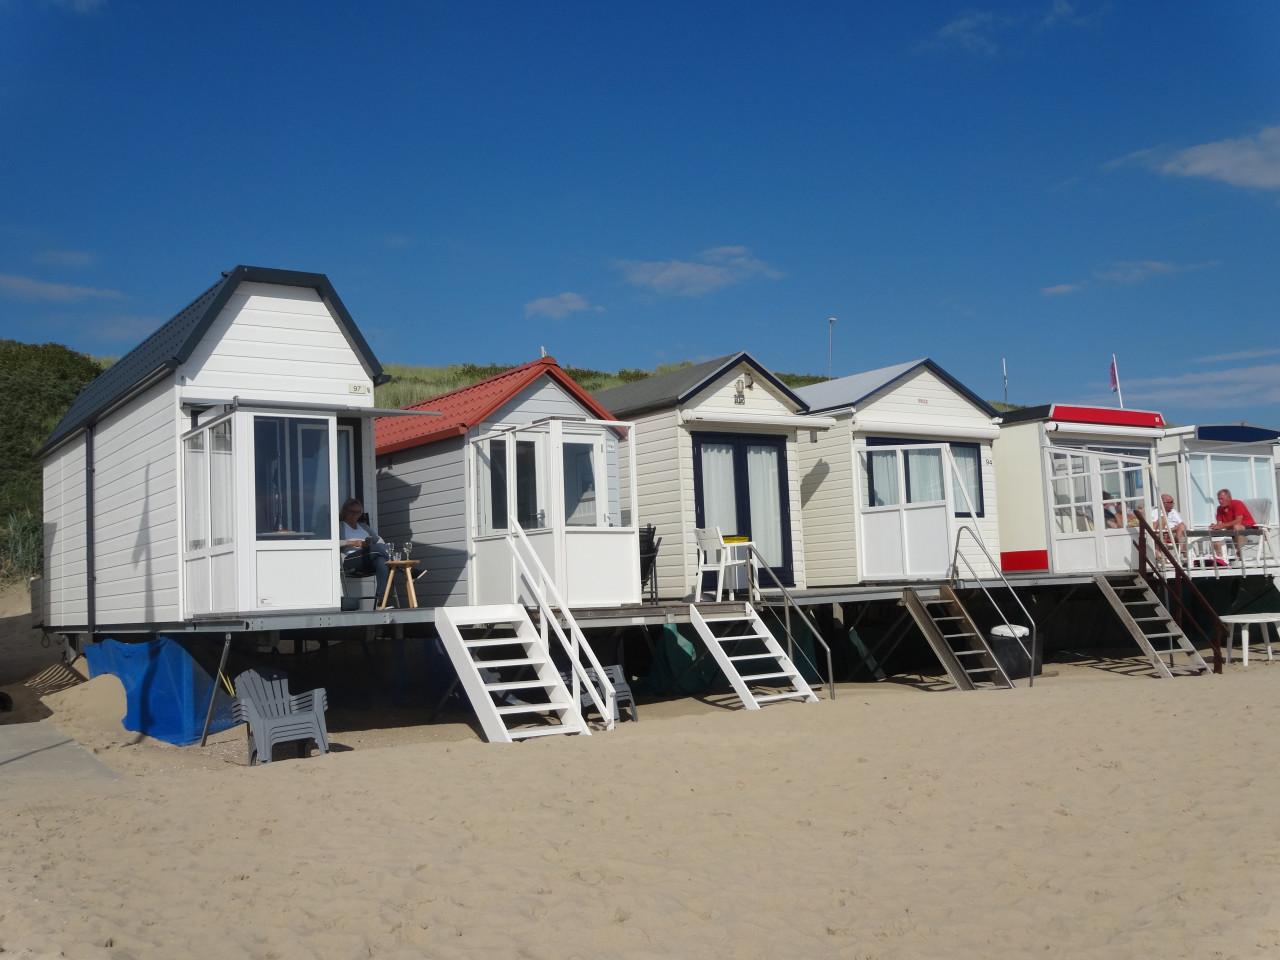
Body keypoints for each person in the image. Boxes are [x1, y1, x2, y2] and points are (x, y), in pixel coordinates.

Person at [340, 498, 390, 601]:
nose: (355, 515)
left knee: (382, 562)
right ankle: (405, 569)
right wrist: (352, 543)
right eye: (352, 512)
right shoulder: (340, 526)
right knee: (379, 549)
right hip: (349, 560)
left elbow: (380, 541)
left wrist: (370, 545)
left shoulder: (363, 526)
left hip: (367, 557)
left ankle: (381, 600)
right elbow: (333, 542)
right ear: (345, 511)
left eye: (358, 512)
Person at [1209, 488, 1257, 565]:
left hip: (1248, 528)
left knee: (1236, 527)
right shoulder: (1219, 509)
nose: (1220, 501)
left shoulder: (1237, 503)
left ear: (1229, 498)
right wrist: (1215, 526)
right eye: (1218, 499)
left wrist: (1221, 526)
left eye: (1222, 499)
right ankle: (1220, 558)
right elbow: (1219, 524)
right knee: (1215, 531)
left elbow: (1238, 521)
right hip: (1232, 531)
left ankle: (1238, 554)